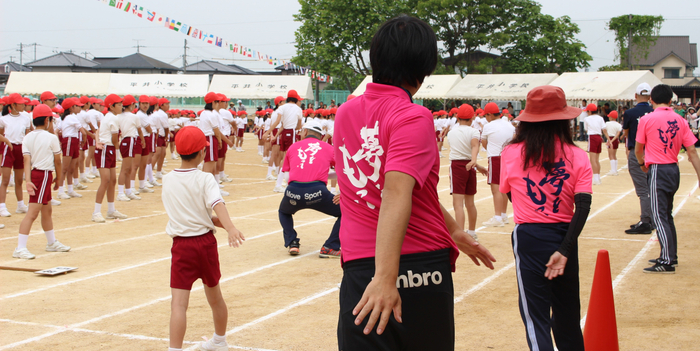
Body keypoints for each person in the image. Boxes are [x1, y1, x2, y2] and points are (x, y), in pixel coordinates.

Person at [334, 15, 496, 350]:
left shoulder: (345, 114)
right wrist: (386, 278)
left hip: (361, 266)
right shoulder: (413, 116)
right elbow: (395, 192)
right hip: (413, 267)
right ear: (423, 73)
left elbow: (409, 190)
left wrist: (452, 231)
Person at [500, 85, 592, 351]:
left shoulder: (510, 153)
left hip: (529, 236)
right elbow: (583, 207)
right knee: (567, 318)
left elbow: (509, 194)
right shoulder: (578, 155)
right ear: (565, 120)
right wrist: (563, 250)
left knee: (536, 319)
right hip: (566, 236)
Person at [163, 126, 244, 351]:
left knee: (178, 304)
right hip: (205, 244)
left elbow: (185, 209)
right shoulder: (206, 178)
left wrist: (208, 219)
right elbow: (217, 203)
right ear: (201, 153)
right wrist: (230, 227)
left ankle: (174, 349)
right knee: (215, 297)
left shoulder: (168, 179)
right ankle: (219, 341)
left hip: (181, 246)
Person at [635, 84, 700, 273]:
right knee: (666, 215)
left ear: (651, 100)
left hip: (658, 169)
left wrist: (642, 165)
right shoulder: (680, 120)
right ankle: (671, 254)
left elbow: (639, 149)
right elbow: (692, 151)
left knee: (658, 215)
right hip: (673, 169)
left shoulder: (647, 119)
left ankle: (666, 261)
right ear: (671, 100)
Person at [13, 104, 70, 259]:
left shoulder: (28, 137)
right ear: (47, 120)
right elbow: (58, 160)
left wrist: (28, 180)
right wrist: (59, 178)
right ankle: (20, 247)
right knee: (32, 213)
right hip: (44, 175)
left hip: (36, 174)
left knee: (47, 210)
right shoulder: (51, 137)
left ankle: (51, 242)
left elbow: (27, 160)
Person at [278, 120, 341, 258]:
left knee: (283, 212)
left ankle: (292, 242)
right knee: (346, 212)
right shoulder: (328, 147)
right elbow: (342, 171)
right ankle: (330, 246)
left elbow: (287, 175)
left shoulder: (294, 147)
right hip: (317, 191)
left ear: (305, 132)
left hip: (293, 190)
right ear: (320, 135)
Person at [446, 104, 487, 240]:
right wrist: (475, 162)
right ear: (472, 118)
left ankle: (460, 233)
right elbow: (475, 146)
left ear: (457, 118)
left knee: (458, 204)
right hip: (470, 166)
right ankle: (472, 231)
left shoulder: (452, 132)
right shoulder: (474, 131)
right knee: (470, 203)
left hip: (457, 166)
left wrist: (474, 161)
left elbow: (460, 152)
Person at [622, 83, 655, 234]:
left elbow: (627, 133)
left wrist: (629, 150)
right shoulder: (654, 112)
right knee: (652, 186)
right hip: (653, 153)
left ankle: (646, 220)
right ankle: (653, 218)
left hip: (637, 152)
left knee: (642, 189)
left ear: (635, 96)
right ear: (650, 97)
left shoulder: (629, 113)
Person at [92, 94, 128, 222]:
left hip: (109, 148)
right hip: (105, 149)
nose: (121, 106)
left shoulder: (109, 117)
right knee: (106, 180)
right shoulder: (112, 118)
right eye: (119, 104)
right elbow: (114, 138)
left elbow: (98, 130)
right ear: (111, 107)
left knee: (112, 180)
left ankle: (111, 210)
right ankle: (96, 212)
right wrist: (119, 150)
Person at [481, 101, 515, 227]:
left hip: (495, 157)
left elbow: (484, 142)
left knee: (496, 188)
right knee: (505, 187)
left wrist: (491, 148)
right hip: (508, 157)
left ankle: (497, 217)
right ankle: (503, 215)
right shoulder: (508, 124)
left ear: (489, 115)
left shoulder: (488, 126)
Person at [0, 93, 32, 216]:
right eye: (20, 103)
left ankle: (20, 205)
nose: (23, 105)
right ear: (13, 105)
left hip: (21, 149)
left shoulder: (26, 118)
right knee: (5, 180)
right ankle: (2, 206)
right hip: (8, 148)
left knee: (19, 180)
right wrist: (7, 141)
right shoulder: (3, 119)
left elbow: (28, 134)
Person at [268, 90, 304, 193]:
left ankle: (282, 181)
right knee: (288, 159)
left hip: (283, 133)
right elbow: (299, 126)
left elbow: (278, 122)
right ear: (296, 99)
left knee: (284, 157)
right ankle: (280, 183)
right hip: (291, 133)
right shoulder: (298, 109)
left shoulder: (282, 107)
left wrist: (269, 132)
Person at [116, 95, 145, 202]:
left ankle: (128, 191)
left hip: (125, 141)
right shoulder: (134, 116)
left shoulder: (119, 116)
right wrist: (143, 141)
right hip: (130, 141)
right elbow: (140, 130)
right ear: (131, 105)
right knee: (125, 169)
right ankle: (120, 192)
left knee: (127, 168)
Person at [582, 103, 609, 185]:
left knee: (592, 159)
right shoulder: (600, 118)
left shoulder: (587, 119)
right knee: (597, 159)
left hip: (592, 137)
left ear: (590, 111)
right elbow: (604, 129)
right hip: (599, 137)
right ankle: (598, 178)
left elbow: (586, 129)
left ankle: (596, 178)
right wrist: (608, 139)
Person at [604, 110, 623, 176]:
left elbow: (605, 131)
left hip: (610, 138)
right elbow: (618, 134)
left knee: (610, 155)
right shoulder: (618, 125)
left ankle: (613, 170)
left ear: (611, 117)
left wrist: (610, 141)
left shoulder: (607, 123)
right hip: (615, 139)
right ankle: (614, 169)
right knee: (614, 155)